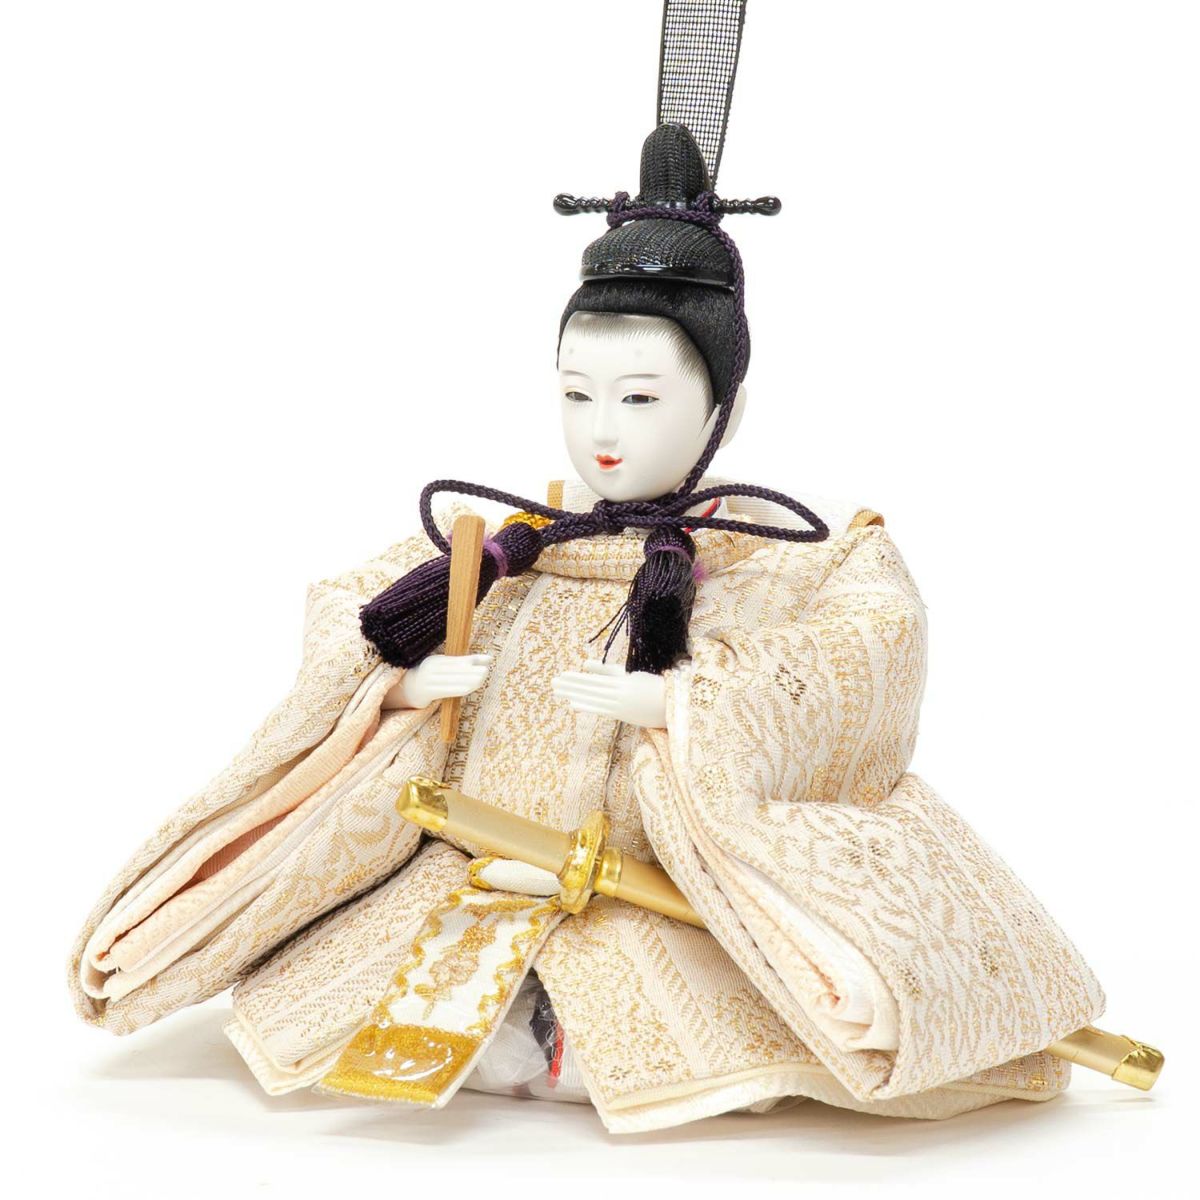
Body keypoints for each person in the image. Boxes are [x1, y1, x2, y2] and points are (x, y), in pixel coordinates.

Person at [72, 120, 1105, 1134]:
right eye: (577, 393)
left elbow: (868, 644)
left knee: (761, 1008)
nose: (603, 432)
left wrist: (686, 702)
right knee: (371, 996)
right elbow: (353, 608)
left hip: (656, 892)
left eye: (640, 397)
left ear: (725, 411)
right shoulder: (511, 543)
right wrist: (399, 685)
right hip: (464, 870)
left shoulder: (793, 557)